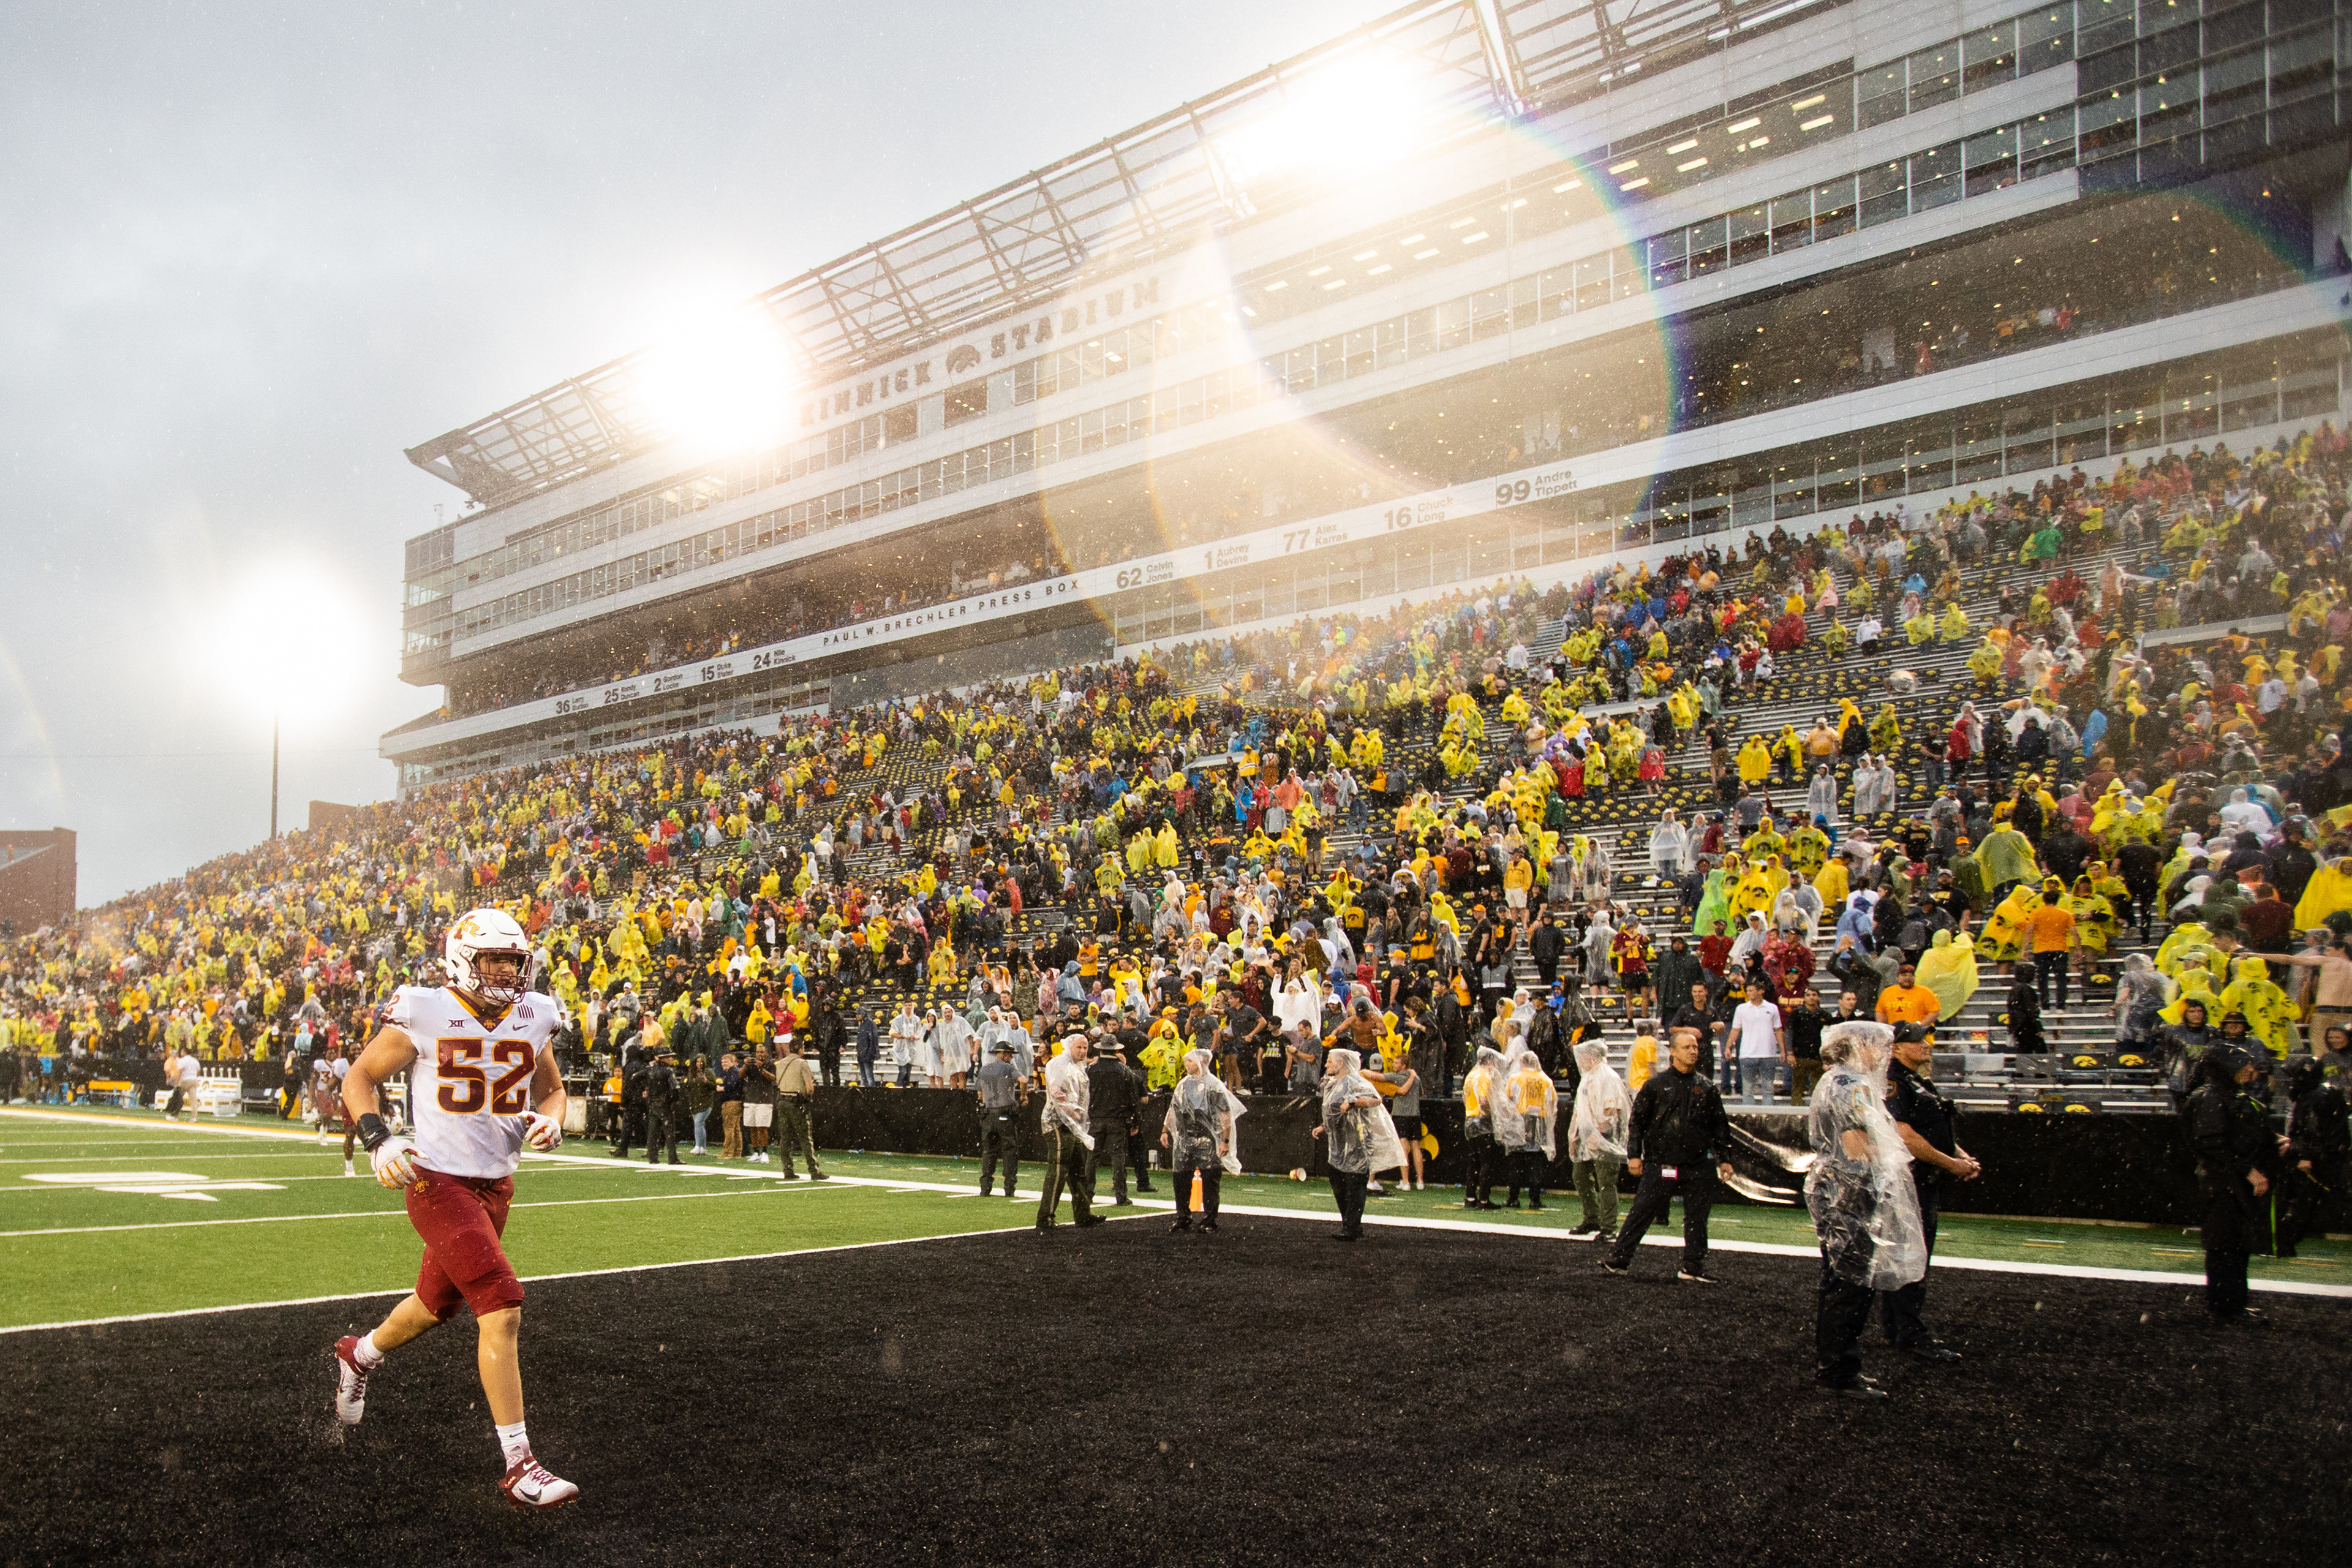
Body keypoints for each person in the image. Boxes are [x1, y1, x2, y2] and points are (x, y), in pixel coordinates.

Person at [330, 908, 579, 1509]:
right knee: (501, 1303)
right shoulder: (424, 1007)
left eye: (512, 960)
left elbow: (552, 1087)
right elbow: (359, 1077)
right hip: (435, 1181)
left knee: (434, 1306)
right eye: (492, 958)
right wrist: (378, 1138)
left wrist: (551, 1117)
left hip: (496, 1187)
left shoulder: (536, 1013)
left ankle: (357, 1354)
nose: (504, 970)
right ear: (463, 958)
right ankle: (520, 1465)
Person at [1804, 1020, 1927, 1399]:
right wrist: (1894, 1159)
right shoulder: (1850, 1085)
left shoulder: (1836, 1081)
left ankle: (1839, 1365)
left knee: (1842, 1281)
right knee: (1850, 1283)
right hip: (1850, 1194)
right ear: (1858, 1046)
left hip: (1840, 1190)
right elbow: (1857, 1149)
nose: (1883, 1054)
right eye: (1877, 1046)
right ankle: (1838, 1371)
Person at [1601, 1028, 1734, 1283]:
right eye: (1687, 1047)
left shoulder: (1707, 1088)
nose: (1694, 1052)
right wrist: (1634, 1155)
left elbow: (1719, 1126)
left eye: (1695, 1047)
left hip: (1698, 1165)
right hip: (1661, 1163)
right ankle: (1619, 1260)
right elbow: (1637, 1122)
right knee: (1641, 1212)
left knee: (1697, 1218)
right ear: (1672, 1052)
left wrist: (1725, 1158)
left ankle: (1692, 1267)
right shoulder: (1655, 1086)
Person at [1882, 1023, 1979, 1362]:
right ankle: (1909, 1331)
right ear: (1897, 1048)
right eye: (1917, 1040)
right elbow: (1905, 1134)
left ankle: (1898, 1327)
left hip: (1925, 1178)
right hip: (1911, 1181)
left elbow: (1934, 1129)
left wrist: (1960, 1156)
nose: (1926, 1045)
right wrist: (1951, 1164)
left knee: (1911, 1254)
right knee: (1912, 1256)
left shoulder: (1918, 1080)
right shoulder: (1895, 1081)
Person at [2186, 1044, 2280, 1323]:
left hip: (2230, 1181)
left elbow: (2238, 1135)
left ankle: (2233, 1305)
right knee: (2225, 1245)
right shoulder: (2210, 1098)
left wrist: (2274, 1142)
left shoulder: (2227, 1095)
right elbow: (2212, 1143)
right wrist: (2249, 1171)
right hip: (2222, 1183)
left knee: (2236, 1244)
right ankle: (2225, 1307)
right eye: (2245, 1064)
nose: (2252, 1069)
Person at [1313, 1047, 1402, 1241]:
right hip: (1339, 1143)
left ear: (1341, 1063)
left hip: (1357, 1141)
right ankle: (1350, 1224)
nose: (1326, 1064)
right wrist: (1323, 1126)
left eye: (1329, 1060)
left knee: (1354, 1184)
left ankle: (1352, 1227)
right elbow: (1333, 1111)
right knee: (1339, 1183)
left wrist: (1353, 1102)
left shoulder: (1355, 1081)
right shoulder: (1333, 1084)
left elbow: (1375, 1100)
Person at [1162, 1047, 1243, 1232]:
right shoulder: (1183, 1084)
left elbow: (1225, 1114)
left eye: (1190, 1061)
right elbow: (1174, 1108)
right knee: (1180, 1179)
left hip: (1207, 1140)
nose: (1186, 1065)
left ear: (1200, 1062)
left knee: (1210, 1180)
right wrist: (1165, 1129)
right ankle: (1183, 1216)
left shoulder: (1214, 1085)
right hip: (1184, 1139)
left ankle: (1209, 1220)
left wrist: (1225, 1140)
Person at [2278, 1055, 2349, 1259]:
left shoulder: (2318, 1095)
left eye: (2295, 1077)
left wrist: (2306, 1155)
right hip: (2320, 1155)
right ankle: (2286, 1242)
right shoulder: (2316, 1093)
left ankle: (2286, 1243)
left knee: (2302, 1202)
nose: (2291, 1081)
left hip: (2319, 1158)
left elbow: (2316, 1130)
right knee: (2303, 1202)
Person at [1036, 1036, 1102, 1233]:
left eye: (1085, 1047)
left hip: (1070, 1125)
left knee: (1078, 1171)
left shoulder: (1076, 1066)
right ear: (1069, 1047)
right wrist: (1072, 1111)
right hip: (1056, 1122)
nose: (1083, 1051)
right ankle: (1045, 1218)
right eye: (1079, 1047)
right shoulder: (1061, 1063)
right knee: (1058, 1170)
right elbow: (1056, 1091)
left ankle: (1083, 1215)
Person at [1564, 1039, 1628, 1240]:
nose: (1579, 1060)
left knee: (1606, 1182)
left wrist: (1597, 1133)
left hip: (1603, 1137)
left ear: (1591, 1056)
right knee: (1581, 1177)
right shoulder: (1588, 1076)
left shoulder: (1607, 1076)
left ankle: (1609, 1227)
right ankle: (1591, 1218)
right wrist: (1573, 1135)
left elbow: (1612, 1111)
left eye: (1582, 1055)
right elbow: (1579, 1109)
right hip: (1586, 1136)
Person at [1496, 1047, 1559, 1210]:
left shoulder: (1516, 1078)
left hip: (1519, 1120)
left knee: (1515, 1160)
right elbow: (1552, 1103)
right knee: (1536, 1160)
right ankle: (1535, 1199)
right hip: (1539, 1121)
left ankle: (1513, 1198)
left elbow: (1507, 1100)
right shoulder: (1546, 1080)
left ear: (1522, 1063)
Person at [1086, 1039, 1142, 1204]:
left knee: (1092, 1156)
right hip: (1117, 1119)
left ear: (1101, 1050)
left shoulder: (1091, 1070)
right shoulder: (1124, 1071)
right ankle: (1120, 1195)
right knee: (1118, 1157)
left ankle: (1087, 1193)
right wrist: (1136, 1121)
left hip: (1096, 1118)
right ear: (1116, 1051)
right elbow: (1134, 1098)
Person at [975, 1039, 1027, 1199]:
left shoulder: (984, 1069)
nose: (1011, 1058)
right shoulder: (1008, 1068)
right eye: (1009, 1054)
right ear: (1003, 1054)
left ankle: (985, 1189)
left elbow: (979, 1094)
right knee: (1009, 1151)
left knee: (988, 1152)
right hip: (1005, 1114)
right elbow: (1023, 1080)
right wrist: (1023, 1097)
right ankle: (1009, 1188)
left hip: (988, 1115)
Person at [1458, 1043, 1506, 1210]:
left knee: (1473, 1162)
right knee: (1487, 1162)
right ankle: (1484, 1200)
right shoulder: (1484, 1076)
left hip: (1470, 1119)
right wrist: (1490, 1113)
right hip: (1481, 1121)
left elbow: (1465, 1097)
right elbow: (1483, 1100)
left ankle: (1470, 1197)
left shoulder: (1471, 1075)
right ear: (1490, 1061)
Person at [772, 1036, 825, 1180]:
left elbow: (778, 1082)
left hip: (782, 1101)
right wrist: (808, 1098)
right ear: (801, 1049)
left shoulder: (781, 1063)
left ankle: (787, 1170)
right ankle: (813, 1171)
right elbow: (809, 1087)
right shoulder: (802, 1063)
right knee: (805, 1138)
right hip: (796, 1102)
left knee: (785, 1138)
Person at [1728, 984, 1785, 1104]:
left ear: (1761, 991)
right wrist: (1728, 1046)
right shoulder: (1741, 1009)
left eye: (1751, 990)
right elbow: (1735, 1029)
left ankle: (1767, 1117)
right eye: (1747, 991)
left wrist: (1782, 1049)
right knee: (1748, 1090)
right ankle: (1748, 1118)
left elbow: (1778, 1029)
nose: (1748, 993)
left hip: (1768, 1054)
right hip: (1747, 1054)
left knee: (1768, 1090)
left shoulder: (1772, 1008)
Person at [2024, 887, 2079, 1009]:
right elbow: (2074, 933)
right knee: (2061, 979)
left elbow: (2029, 932)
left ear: (2043, 900)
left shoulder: (2036, 913)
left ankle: (2045, 1006)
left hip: (2041, 949)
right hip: (2060, 948)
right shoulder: (2065, 914)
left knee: (2042, 979)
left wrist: (2024, 948)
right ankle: (2060, 1006)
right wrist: (2079, 950)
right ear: (2057, 900)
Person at [641, 1046, 681, 1166]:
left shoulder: (650, 1070)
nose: (672, 1058)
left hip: (653, 1103)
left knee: (653, 1132)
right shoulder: (668, 1071)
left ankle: (653, 1157)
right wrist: (675, 1099)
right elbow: (675, 1088)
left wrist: (646, 1089)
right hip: (664, 1104)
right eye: (669, 1057)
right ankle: (672, 1158)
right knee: (669, 1132)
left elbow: (635, 1078)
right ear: (663, 1059)